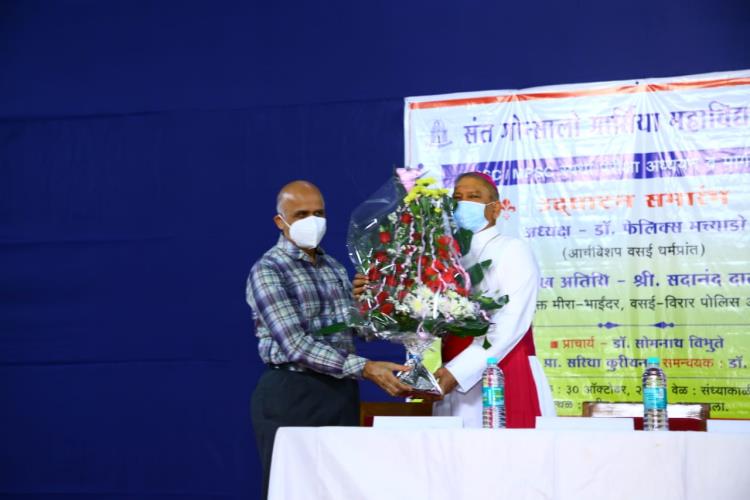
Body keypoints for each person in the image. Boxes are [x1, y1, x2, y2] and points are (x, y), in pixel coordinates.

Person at [246, 180, 411, 500]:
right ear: (280, 221)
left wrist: (377, 302)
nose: (312, 221)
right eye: (301, 214)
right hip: (292, 394)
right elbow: (295, 345)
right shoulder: (268, 270)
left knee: (339, 490)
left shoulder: (333, 267)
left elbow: (356, 329)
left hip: (341, 393)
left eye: (318, 213)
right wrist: (366, 368)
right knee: (293, 490)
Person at [432, 172, 556, 428]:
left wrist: (458, 371)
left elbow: (510, 320)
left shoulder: (512, 249)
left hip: (503, 369)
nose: (463, 203)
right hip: (449, 372)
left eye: (474, 197)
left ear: (496, 209)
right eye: (457, 198)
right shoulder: (445, 258)